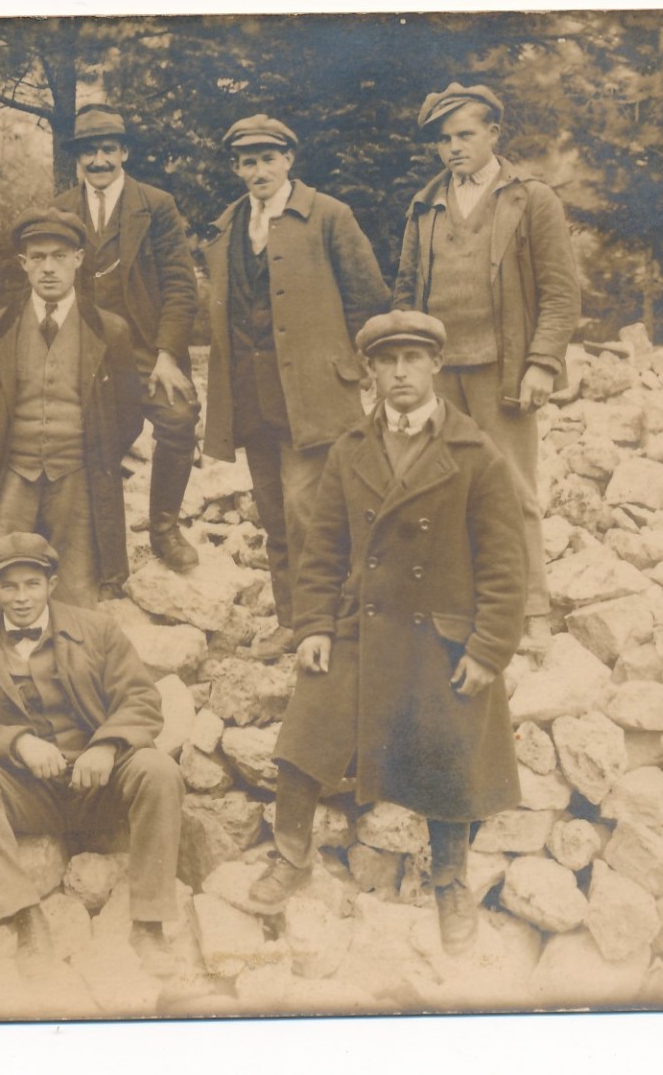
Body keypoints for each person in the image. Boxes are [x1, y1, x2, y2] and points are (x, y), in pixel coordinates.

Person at [249, 311, 526, 956]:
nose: (400, 372)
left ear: (436, 366)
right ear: (369, 372)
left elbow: (505, 565)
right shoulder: (349, 450)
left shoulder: (475, 453)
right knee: (307, 725)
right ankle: (290, 855)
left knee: (452, 743)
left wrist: (488, 650)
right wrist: (315, 626)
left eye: (412, 359)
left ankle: (450, 881)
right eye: (387, 361)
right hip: (363, 627)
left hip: (442, 634)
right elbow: (322, 550)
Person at [0, 208, 143, 687]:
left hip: (78, 483)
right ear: (23, 264)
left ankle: (75, 700)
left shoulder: (110, 331)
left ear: (78, 259)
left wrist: (85, 458)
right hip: (6, 481)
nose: (48, 268)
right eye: (37, 257)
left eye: (59, 256)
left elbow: (126, 416)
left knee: (77, 596)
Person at [0, 532, 183, 977]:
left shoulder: (98, 631)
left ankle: (149, 926)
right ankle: (26, 920)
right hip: (31, 795)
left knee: (158, 768)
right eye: (9, 586)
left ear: (51, 584)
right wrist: (18, 743)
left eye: (32, 584)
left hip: (101, 785)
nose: (21, 598)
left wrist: (106, 745)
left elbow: (142, 699)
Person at [393, 83, 580, 658]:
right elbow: (405, 292)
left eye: (465, 135)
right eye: (443, 139)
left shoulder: (530, 199)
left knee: (513, 492)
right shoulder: (425, 204)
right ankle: (461, 608)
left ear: (494, 134)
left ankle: (531, 612)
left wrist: (541, 364)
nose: (453, 148)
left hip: (503, 373)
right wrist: (406, 369)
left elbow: (561, 292)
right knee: (443, 488)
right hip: (438, 375)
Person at [199, 115, 391, 661]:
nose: (259, 170)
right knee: (274, 515)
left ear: (288, 160)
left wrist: (359, 368)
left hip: (314, 397)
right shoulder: (227, 227)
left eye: (268, 159)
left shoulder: (329, 216)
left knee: (313, 513)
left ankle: (329, 624)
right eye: (248, 162)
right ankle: (292, 621)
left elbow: (368, 300)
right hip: (251, 397)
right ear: (237, 168)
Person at [50, 104, 203, 570]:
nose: (98, 160)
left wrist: (167, 356)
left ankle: (164, 528)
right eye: (88, 152)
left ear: (124, 153)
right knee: (88, 438)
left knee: (178, 418)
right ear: (77, 158)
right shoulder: (60, 209)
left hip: (145, 348)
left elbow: (181, 286)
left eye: (108, 149)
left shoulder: (155, 206)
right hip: (84, 349)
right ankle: (95, 541)